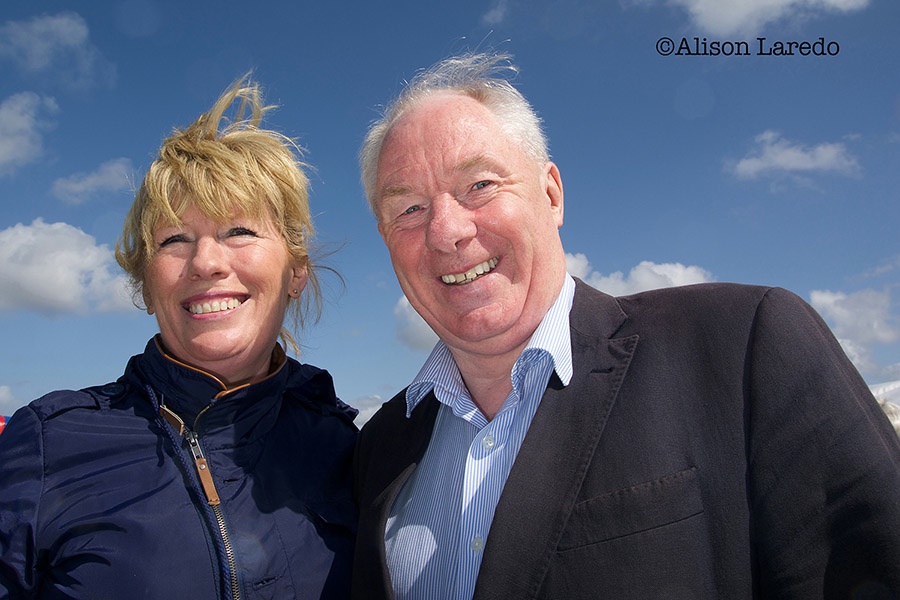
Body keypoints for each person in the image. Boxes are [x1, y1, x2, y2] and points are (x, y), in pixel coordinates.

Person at [351, 52, 900, 599]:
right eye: (410, 209)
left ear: (551, 193)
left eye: (480, 185)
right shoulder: (376, 451)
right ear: (384, 239)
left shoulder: (743, 349)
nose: (447, 230)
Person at [0, 76, 357, 599]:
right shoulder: (49, 444)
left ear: (296, 272)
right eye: (174, 240)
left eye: (239, 231)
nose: (206, 262)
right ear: (146, 285)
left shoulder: (348, 446)